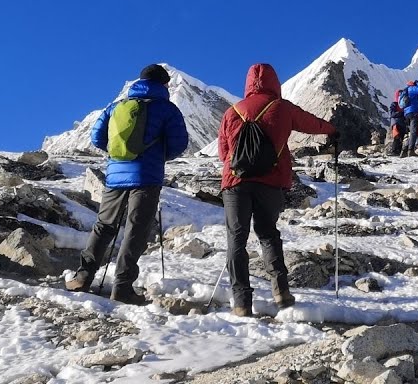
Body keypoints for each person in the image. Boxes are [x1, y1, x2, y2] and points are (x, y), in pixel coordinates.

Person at [217, 63, 338, 317]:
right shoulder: (282, 108)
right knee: (268, 234)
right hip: (270, 182)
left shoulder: (232, 112)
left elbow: (223, 154)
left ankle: (241, 302)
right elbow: (311, 124)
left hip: (235, 183)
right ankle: (281, 292)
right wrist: (332, 130)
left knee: (236, 239)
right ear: (274, 82)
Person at [67, 64, 189, 304]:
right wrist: (158, 155)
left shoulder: (117, 107)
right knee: (136, 229)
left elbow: (96, 138)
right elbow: (178, 144)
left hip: (115, 175)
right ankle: (122, 287)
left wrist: (119, 154)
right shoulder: (167, 109)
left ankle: (82, 277)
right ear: (164, 84)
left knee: (104, 226)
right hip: (146, 176)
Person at [398, 79, 418, 157]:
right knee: (414, 132)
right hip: (413, 112)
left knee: (411, 132)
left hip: (406, 113)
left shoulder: (404, 91)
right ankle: (410, 151)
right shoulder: (411, 89)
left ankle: (404, 151)